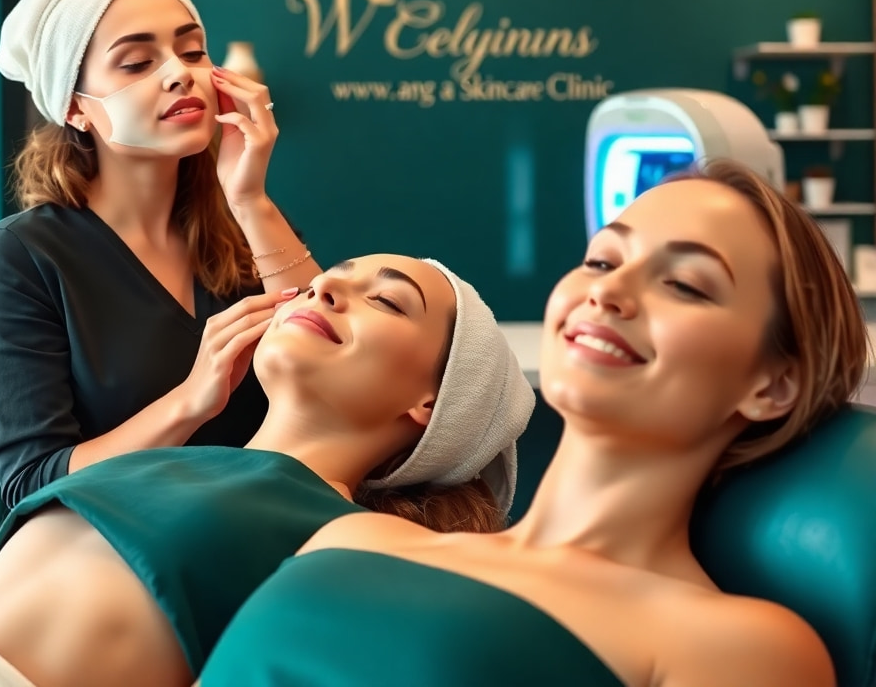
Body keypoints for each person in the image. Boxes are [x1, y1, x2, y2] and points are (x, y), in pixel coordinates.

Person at [198, 161, 871, 687]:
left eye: (685, 285)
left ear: (772, 384)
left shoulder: (732, 646)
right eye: (602, 260)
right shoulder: (354, 536)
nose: (607, 291)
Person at [0, 253, 535, 687]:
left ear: (435, 402)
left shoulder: (358, 541)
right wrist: (189, 401)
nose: (324, 285)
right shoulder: (180, 462)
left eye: (385, 300)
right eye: (332, 276)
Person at [0, 0, 324, 508]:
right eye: (136, 62)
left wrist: (250, 200)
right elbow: (31, 482)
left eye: (193, 51)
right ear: (74, 108)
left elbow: (332, 380)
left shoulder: (247, 225)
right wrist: (191, 401)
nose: (180, 73)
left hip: (268, 528)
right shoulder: (23, 255)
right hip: (119, 546)